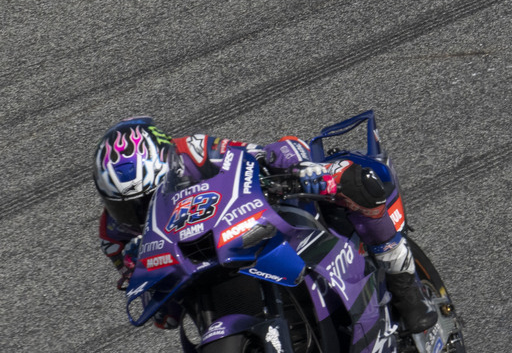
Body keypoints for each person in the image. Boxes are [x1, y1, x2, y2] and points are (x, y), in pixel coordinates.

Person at [93, 117, 438, 333]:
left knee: (355, 180)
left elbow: (253, 156)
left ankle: (404, 286)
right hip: (194, 267)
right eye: (126, 207)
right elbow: (160, 313)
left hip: (245, 227)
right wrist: (146, 281)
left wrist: (292, 164)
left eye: (149, 198)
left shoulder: (194, 151)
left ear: (169, 165)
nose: (140, 213)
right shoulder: (115, 234)